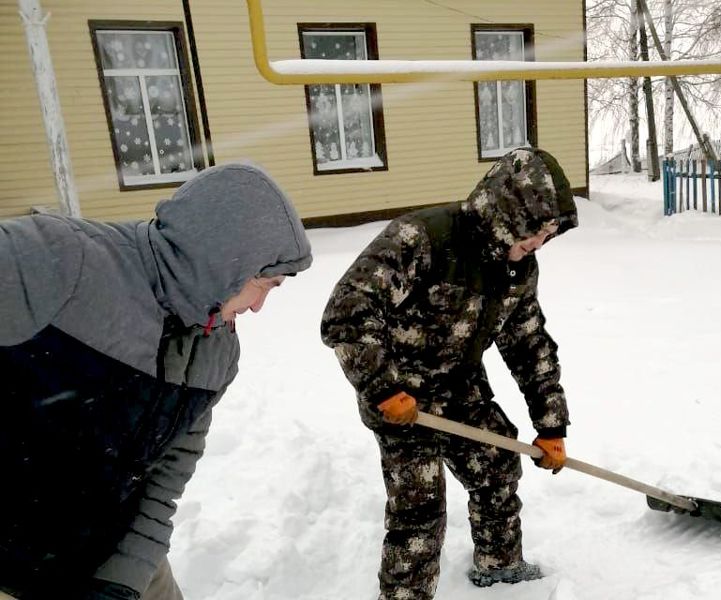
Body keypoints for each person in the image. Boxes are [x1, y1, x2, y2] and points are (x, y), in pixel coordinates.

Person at [0, 163, 313, 600]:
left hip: (112, 550)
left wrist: (120, 582)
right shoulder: (63, 261)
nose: (259, 306)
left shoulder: (215, 354)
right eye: (264, 283)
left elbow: (163, 480)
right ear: (222, 258)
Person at [321, 147, 578, 599]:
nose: (537, 245)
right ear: (505, 214)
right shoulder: (422, 239)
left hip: (459, 389)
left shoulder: (516, 267)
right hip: (401, 400)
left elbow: (528, 342)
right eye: (532, 234)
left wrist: (550, 423)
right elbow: (348, 312)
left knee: (497, 466)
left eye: (546, 236)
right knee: (419, 512)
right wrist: (382, 388)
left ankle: (498, 568)